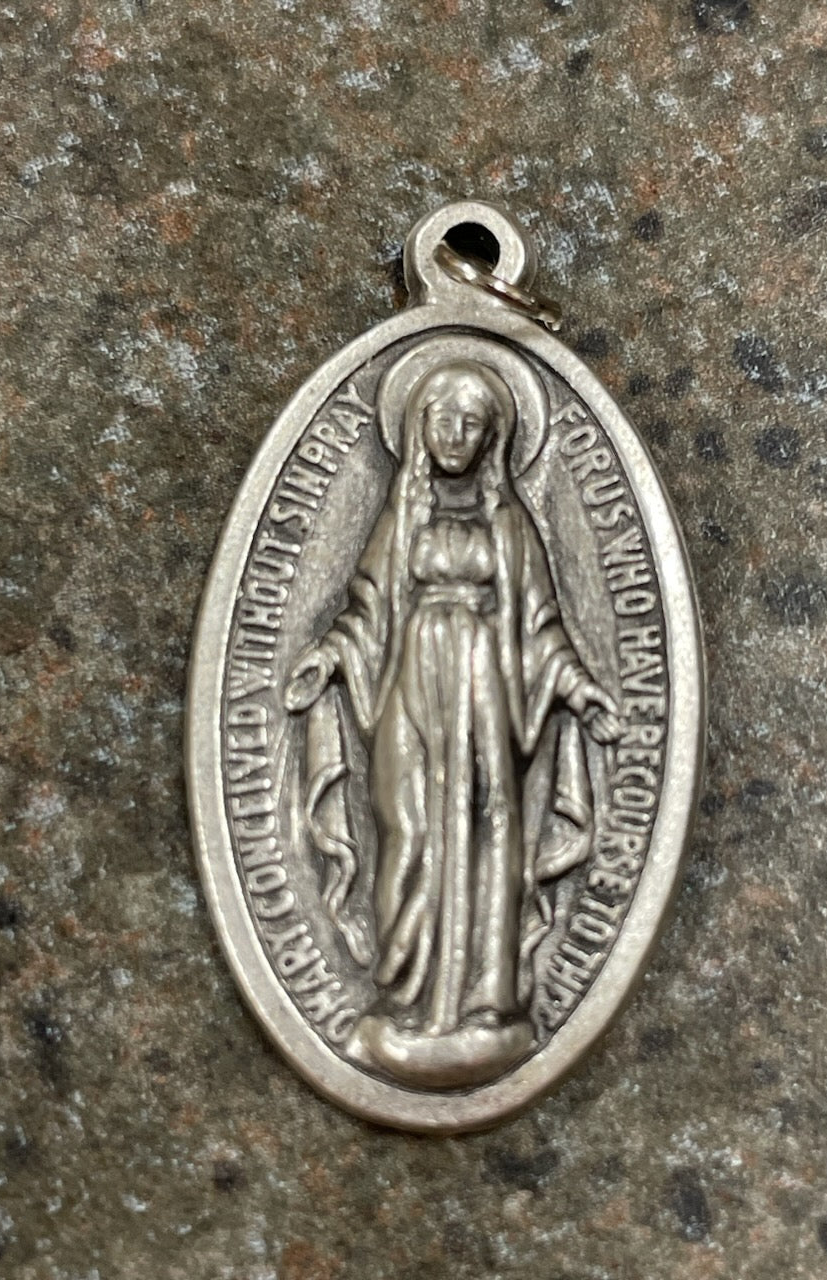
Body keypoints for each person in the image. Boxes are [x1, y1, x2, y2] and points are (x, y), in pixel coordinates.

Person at [284, 357, 620, 1087]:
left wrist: (577, 687)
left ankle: (486, 1003)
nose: (455, 436)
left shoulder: (511, 525)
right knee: (406, 825)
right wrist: (330, 656)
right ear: (417, 427)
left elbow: (542, 627)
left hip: (485, 689)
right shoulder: (400, 517)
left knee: (490, 828)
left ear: (494, 436)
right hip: (409, 684)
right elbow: (365, 609)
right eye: (442, 420)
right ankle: (406, 1000)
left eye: (471, 423)